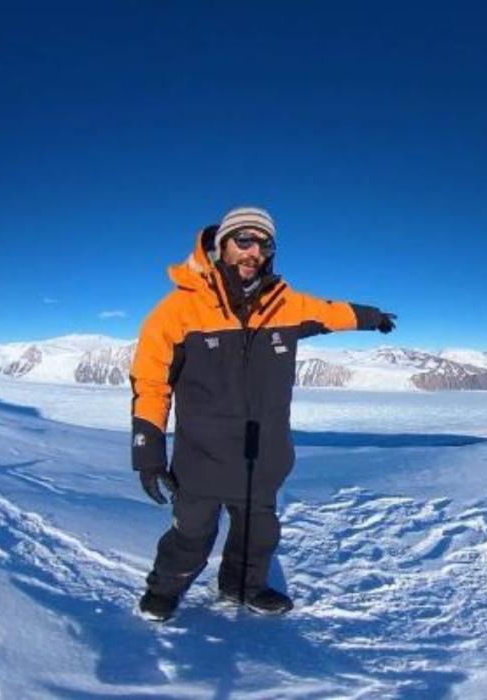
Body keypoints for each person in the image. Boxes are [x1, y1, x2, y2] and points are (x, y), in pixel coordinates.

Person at [130, 206, 396, 621]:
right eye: (244, 241)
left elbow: (328, 311)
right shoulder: (176, 311)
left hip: (265, 456)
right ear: (222, 246)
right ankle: (164, 589)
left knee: (258, 536)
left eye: (264, 243)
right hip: (201, 457)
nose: (254, 251)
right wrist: (147, 453)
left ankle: (244, 588)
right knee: (192, 534)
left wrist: (371, 317)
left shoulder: (283, 303)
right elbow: (150, 383)